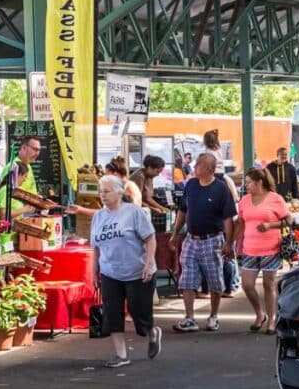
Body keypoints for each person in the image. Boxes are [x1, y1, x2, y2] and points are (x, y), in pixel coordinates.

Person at [90, 175, 161, 368]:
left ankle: (152, 333)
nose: (102, 195)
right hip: (110, 272)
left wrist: (148, 263)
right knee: (112, 313)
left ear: (119, 192)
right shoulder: (98, 217)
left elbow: (150, 238)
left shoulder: (133, 212)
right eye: (101, 191)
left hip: (137, 271)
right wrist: (94, 271)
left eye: (107, 191)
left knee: (140, 314)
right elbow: (96, 247)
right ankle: (121, 354)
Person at [169, 153, 236, 333]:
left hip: (212, 239)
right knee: (187, 279)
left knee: (215, 280)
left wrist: (228, 243)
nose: (195, 166)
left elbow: (229, 219)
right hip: (191, 238)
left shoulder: (220, 189)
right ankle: (190, 317)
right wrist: (176, 233)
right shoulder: (191, 185)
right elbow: (183, 211)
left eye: (199, 164)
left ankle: (213, 315)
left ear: (209, 169)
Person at [232, 168, 291, 334]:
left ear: (259, 183)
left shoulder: (275, 199)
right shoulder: (244, 201)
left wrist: (270, 225)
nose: (246, 185)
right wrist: (234, 243)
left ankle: (271, 319)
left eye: (249, 182)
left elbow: (288, 220)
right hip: (249, 248)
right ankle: (260, 313)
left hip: (271, 248)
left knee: (268, 284)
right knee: (247, 285)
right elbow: (241, 223)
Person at [0, 136, 42, 237]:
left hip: (17, 224)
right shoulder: (13, 168)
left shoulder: (28, 167)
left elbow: (29, 194)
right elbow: (3, 214)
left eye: (39, 150)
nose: (37, 153)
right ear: (23, 148)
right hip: (5, 231)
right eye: (34, 149)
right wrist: (25, 209)